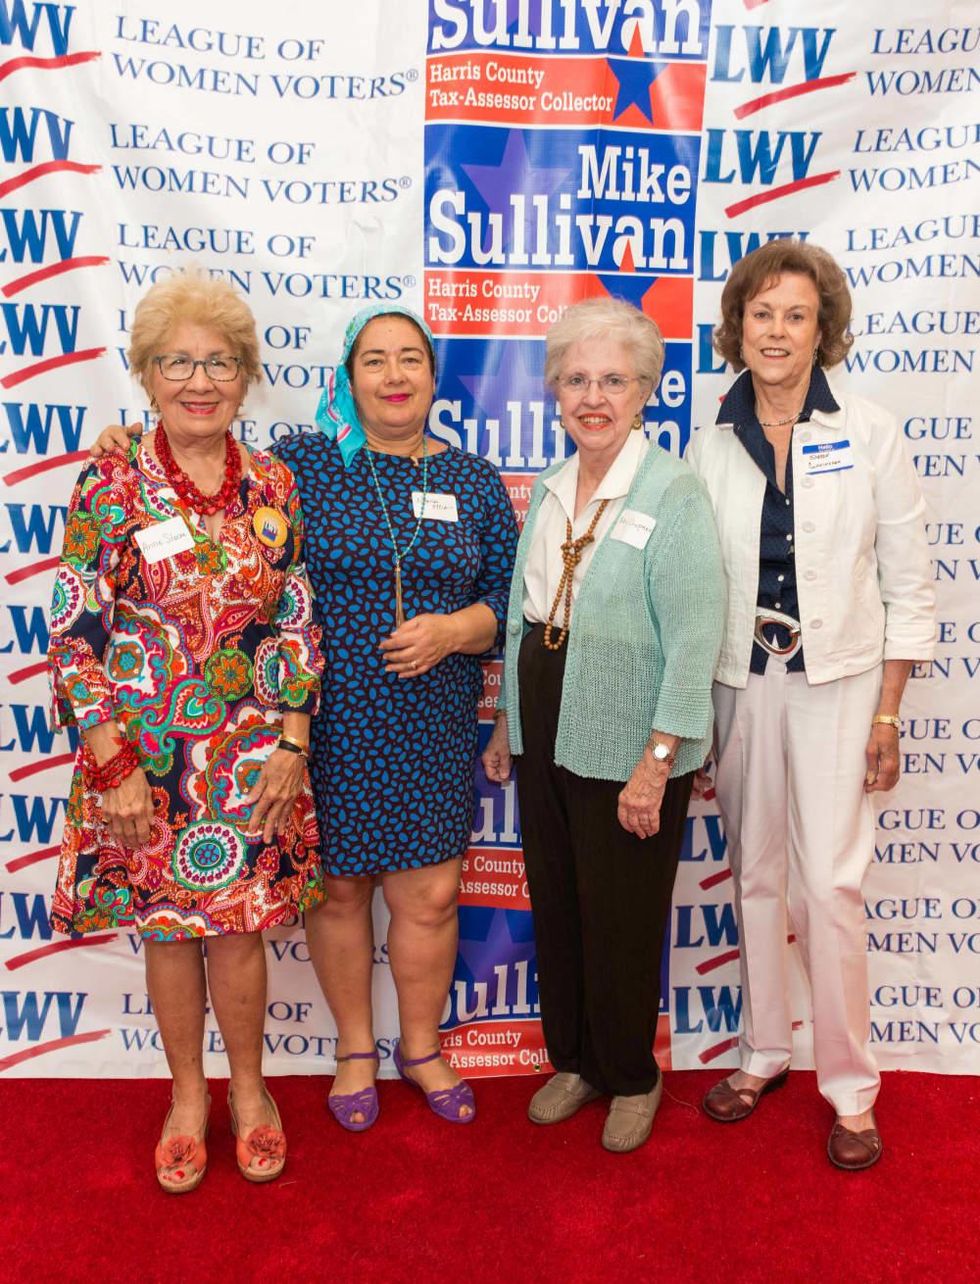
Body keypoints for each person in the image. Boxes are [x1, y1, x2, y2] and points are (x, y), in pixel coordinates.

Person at [94, 303, 518, 1130]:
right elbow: (203, 475)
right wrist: (121, 441)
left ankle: (422, 1046)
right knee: (340, 893)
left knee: (429, 894)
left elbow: (514, 595)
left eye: (411, 360)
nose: (395, 376)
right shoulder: (301, 467)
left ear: (435, 378)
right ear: (347, 379)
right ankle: (355, 1046)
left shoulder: (472, 479)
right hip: (319, 718)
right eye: (375, 361)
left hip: (431, 716)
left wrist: (460, 629)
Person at [50, 272, 325, 1191]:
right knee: (169, 932)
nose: (198, 380)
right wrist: (114, 765)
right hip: (142, 761)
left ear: (246, 377)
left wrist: (291, 742)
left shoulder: (274, 482)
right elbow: (75, 627)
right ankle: (185, 1097)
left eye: (218, 362)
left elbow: (293, 620)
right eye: (178, 362)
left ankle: (250, 1094)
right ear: (147, 373)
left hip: (252, 762)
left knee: (240, 933)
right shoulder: (112, 476)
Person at [686, 240, 935, 1169]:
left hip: (842, 687)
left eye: (796, 315)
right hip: (741, 682)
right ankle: (762, 1052)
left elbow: (910, 585)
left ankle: (851, 1087)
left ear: (823, 328)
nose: (777, 331)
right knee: (752, 876)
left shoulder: (870, 432)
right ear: (737, 327)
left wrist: (888, 712)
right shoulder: (708, 443)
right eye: (761, 314)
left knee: (829, 886)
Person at [482, 297, 725, 1154]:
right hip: (547, 701)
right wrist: (508, 718)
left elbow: (695, 639)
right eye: (577, 379)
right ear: (552, 390)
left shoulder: (674, 491)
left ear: (645, 390)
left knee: (621, 907)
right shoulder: (550, 487)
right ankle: (575, 1058)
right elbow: (519, 616)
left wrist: (660, 760)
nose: (594, 396)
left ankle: (632, 1072)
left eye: (613, 380)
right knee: (559, 895)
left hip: (625, 723)